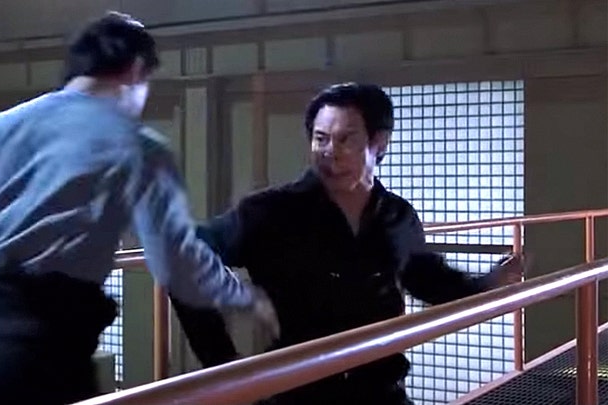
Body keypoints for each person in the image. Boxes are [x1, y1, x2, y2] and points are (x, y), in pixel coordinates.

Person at [0, 12, 277, 405]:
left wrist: (6, 214)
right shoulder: (136, 144)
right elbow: (177, 262)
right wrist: (245, 297)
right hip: (43, 353)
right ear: (136, 70)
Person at [170, 82, 524, 404]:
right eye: (321, 138)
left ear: (379, 143)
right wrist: (223, 364)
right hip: (298, 393)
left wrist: (488, 283)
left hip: (381, 390)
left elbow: (428, 279)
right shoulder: (271, 211)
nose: (331, 152)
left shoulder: (397, 215)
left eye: (346, 140)